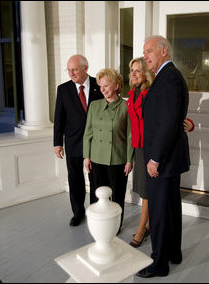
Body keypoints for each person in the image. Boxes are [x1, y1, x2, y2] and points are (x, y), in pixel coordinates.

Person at [136, 35, 190, 278]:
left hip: (163, 159)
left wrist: (155, 159)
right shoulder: (167, 76)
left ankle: (159, 263)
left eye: (149, 51)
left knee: (159, 211)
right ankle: (173, 253)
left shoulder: (168, 78)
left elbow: (167, 123)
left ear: (164, 52)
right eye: (144, 51)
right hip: (169, 157)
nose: (145, 55)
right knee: (170, 207)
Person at [126, 57, 194, 248]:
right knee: (143, 190)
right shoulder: (131, 95)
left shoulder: (151, 91)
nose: (133, 74)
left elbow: (168, 118)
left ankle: (142, 229)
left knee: (150, 193)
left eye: (138, 70)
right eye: (132, 70)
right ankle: (148, 226)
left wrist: (188, 125)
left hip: (152, 149)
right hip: (138, 147)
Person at [53, 54, 103, 227]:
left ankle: (96, 212)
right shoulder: (63, 89)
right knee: (75, 179)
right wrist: (57, 142)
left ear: (85, 69)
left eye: (74, 69)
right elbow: (59, 118)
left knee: (96, 178)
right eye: (68, 70)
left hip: (96, 143)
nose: (71, 73)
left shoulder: (99, 84)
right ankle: (78, 213)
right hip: (73, 142)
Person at [83, 68, 134, 233]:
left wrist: (129, 160)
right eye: (100, 86)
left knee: (117, 196)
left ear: (117, 85)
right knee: (97, 194)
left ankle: (115, 225)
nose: (103, 89)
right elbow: (88, 133)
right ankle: (98, 223)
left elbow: (130, 136)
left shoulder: (126, 106)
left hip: (117, 159)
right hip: (96, 157)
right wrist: (86, 156)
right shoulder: (94, 105)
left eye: (106, 85)